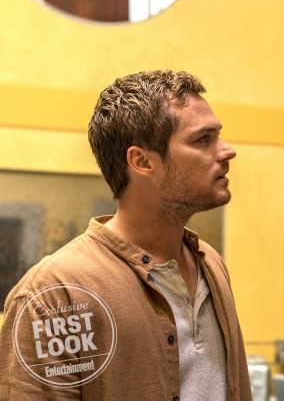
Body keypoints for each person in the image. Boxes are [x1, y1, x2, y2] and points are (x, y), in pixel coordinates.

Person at [0, 70, 252, 400]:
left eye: (218, 135)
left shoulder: (211, 264)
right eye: (203, 140)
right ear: (142, 161)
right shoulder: (55, 294)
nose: (227, 151)